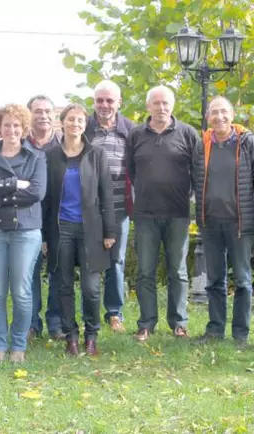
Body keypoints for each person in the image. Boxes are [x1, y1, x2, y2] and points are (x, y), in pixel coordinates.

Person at [125, 85, 201, 342]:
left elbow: (198, 171)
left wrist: (187, 198)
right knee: (145, 270)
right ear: (148, 106)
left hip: (178, 213)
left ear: (172, 106)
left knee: (178, 270)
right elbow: (131, 171)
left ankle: (178, 323)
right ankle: (146, 323)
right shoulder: (136, 135)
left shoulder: (188, 134)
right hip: (145, 213)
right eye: (156, 103)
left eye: (165, 103)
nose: (161, 108)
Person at [193, 96, 254, 347]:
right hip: (210, 221)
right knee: (214, 280)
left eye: (224, 112)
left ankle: (240, 334)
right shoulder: (201, 145)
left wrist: (248, 213)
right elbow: (195, 180)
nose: (219, 117)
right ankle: (215, 330)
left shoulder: (249, 144)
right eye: (214, 112)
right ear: (208, 118)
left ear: (232, 114)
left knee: (244, 281)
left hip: (239, 224)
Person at [43, 103, 116, 356]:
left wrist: (110, 232)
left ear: (85, 125)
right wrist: (44, 236)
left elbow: (107, 195)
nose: (75, 124)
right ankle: (71, 336)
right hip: (60, 229)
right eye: (71, 119)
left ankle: (92, 335)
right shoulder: (51, 156)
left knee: (91, 288)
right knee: (63, 286)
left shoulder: (96, 154)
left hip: (91, 230)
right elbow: (46, 198)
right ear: (62, 123)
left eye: (80, 120)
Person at [0, 104, 46, 363]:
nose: (12, 130)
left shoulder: (36, 157)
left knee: (21, 291)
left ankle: (17, 346)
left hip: (25, 232)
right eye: (7, 125)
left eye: (17, 125)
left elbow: (37, 193)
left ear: (24, 128)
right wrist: (15, 185)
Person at [83, 80, 135, 333]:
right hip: (87, 210)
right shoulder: (84, 130)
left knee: (116, 262)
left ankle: (114, 313)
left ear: (119, 103)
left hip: (118, 209)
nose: (104, 105)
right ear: (94, 102)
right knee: (86, 261)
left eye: (110, 100)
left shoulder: (131, 132)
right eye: (100, 100)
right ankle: (86, 312)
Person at [26, 95, 65, 340]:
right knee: (30, 272)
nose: (43, 115)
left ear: (54, 115)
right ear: (29, 115)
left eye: (48, 111)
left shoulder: (65, 146)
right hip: (28, 217)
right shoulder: (20, 146)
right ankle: (31, 324)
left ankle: (56, 322)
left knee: (58, 271)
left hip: (59, 218)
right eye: (37, 111)